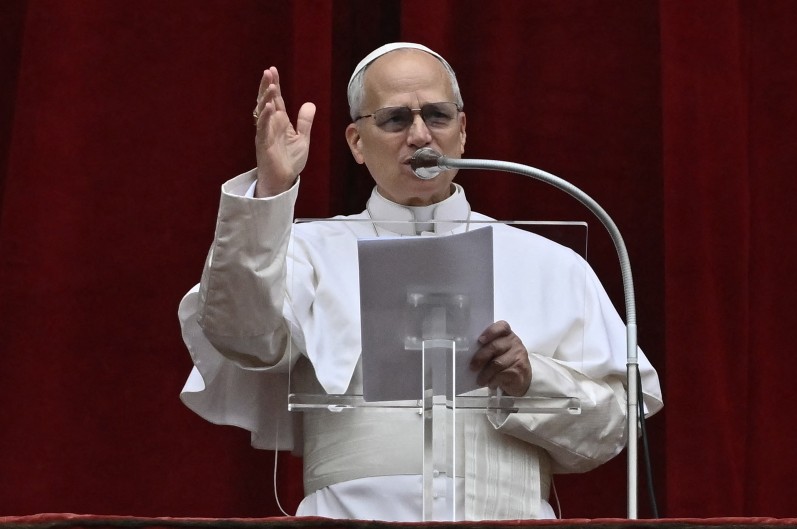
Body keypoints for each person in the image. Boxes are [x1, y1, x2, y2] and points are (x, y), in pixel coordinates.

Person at [178, 42, 663, 521]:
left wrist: (531, 380)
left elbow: (616, 424)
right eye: (394, 119)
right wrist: (271, 191)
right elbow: (241, 334)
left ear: (463, 131)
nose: (419, 136)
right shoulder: (306, 253)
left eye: (437, 116)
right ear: (355, 143)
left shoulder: (550, 263)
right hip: (348, 518)